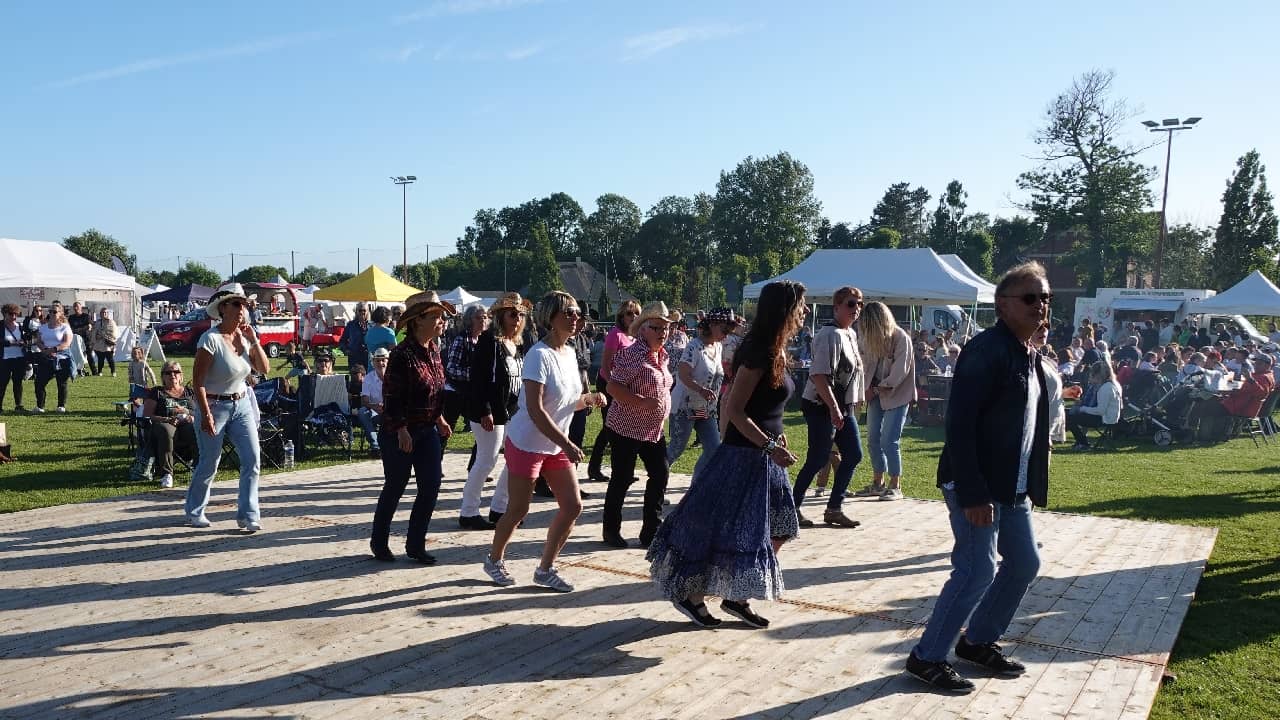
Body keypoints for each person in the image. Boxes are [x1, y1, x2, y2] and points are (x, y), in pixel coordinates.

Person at [906, 262, 1052, 693]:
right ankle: (926, 656)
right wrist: (973, 492)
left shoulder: (1027, 350)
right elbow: (960, 425)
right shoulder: (986, 350)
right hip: (977, 486)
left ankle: (978, 640)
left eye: (1045, 297)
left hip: (1013, 486)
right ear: (1002, 305)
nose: (1040, 305)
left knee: (1025, 563)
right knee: (976, 571)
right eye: (1030, 298)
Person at [647, 280, 805, 629]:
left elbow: (770, 408)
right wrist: (767, 445)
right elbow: (734, 409)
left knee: (780, 528)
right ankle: (692, 595)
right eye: (800, 306)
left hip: (767, 454)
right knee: (721, 529)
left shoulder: (777, 349)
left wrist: (780, 441)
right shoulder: (759, 351)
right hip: (744, 455)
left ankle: (736, 595)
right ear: (784, 310)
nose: (804, 312)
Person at [483, 291, 607, 591]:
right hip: (527, 442)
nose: (576, 317)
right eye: (569, 312)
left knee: (572, 505)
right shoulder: (539, 355)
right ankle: (494, 559)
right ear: (551, 319)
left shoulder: (568, 352)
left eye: (578, 313)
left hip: (554, 443)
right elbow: (536, 410)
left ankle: (545, 569)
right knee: (519, 509)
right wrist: (566, 442)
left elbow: (565, 401)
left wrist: (589, 399)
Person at [369, 291, 456, 564]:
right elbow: (391, 397)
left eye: (442, 316)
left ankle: (415, 544)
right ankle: (379, 541)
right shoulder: (401, 354)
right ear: (418, 321)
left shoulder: (433, 350)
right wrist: (402, 429)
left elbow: (436, 389)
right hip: (399, 431)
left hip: (427, 429)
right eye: (436, 316)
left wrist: (440, 418)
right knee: (396, 485)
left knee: (431, 485)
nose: (442, 321)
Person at [184, 283, 270, 531]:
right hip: (213, 404)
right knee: (210, 461)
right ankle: (194, 511)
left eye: (244, 304)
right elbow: (197, 382)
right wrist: (206, 414)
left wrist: (254, 341)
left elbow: (264, 369)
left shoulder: (244, 337)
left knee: (253, 460)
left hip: (241, 403)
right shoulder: (209, 339)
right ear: (223, 309)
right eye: (237, 304)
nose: (242, 309)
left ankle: (248, 515)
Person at [791, 285, 865, 528]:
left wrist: (854, 399)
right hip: (820, 403)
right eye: (851, 304)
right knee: (818, 458)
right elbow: (819, 376)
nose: (857, 309)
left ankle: (834, 508)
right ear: (836, 307)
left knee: (853, 454)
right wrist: (833, 408)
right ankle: (791, 508)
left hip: (841, 405)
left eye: (860, 304)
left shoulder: (850, 334)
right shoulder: (829, 335)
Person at [602, 301, 674, 549]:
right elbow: (613, 386)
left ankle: (651, 531)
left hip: (653, 430)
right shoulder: (632, 354)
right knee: (622, 478)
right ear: (642, 328)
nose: (662, 333)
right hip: (626, 428)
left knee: (660, 473)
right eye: (657, 328)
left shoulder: (662, 355)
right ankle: (611, 530)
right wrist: (641, 402)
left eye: (666, 328)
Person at [463, 292, 531, 531]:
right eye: (513, 314)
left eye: (521, 314)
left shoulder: (519, 343)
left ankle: (500, 507)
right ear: (501, 316)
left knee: (514, 460)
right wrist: (485, 410)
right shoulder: (489, 342)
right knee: (486, 460)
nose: (518, 318)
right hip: (489, 411)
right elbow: (479, 379)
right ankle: (468, 511)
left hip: (513, 410)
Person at [666, 308, 736, 484]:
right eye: (724, 330)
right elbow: (683, 374)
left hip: (706, 409)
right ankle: (657, 483)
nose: (726, 335)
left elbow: (717, 372)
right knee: (676, 448)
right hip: (685, 406)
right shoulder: (694, 346)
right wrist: (701, 389)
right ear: (712, 325)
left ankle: (696, 489)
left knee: (714, 449)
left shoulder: (718, 347)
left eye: (729, 331)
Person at [856, 301, 915, 501]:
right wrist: (865, 389)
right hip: (874, 394)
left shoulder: (901, 338)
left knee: (889, 440)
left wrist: (877, 388)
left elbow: (900, 371)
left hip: (897, 395)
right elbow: (864, 366)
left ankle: (895, 484)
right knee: (872, 438)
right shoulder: (868, 338)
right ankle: (878, 482)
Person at [586, 300, 640, 483]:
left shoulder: (635, 337)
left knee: (625, 427)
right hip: (609, 384)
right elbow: (606, 365)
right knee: (610, 427)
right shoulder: (615, 335)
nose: (633, 317)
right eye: (629, 314)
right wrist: (614, 387)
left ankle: (625, 469)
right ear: (621, 316)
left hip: (625, 386)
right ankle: (595, 467)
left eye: (636, 314)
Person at [145, 360, 196, 489]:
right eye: (168, 372)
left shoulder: (190, 392)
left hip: (186, 423)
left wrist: (188, 414)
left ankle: (198, 467)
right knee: (166, 431)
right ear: (163, 376)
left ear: (181, 375)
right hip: (165, 423)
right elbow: (147, 414)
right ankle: (167, 474)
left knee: (196, 429)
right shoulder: (157, 392)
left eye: (176, 372)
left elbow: (199, 412)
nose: (172, 375)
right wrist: (167, 419)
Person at [444, 304, 488, 435]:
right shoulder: (461, 339)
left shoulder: (485, 341)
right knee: (446, 432)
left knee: (483, 430)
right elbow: (451, 369)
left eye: (485, 317)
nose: (483, 321)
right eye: (479, 318)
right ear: (470, 320)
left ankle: (478, 456)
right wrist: (474, 374)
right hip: (454, 392)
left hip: (473, 393)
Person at [1066, 361, 1121, 449]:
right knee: (1067, 414)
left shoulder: (1106, 388)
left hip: (1104, 419)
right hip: (1103, 416)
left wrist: (1082, 409)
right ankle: (1080, 441)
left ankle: (1083, 443)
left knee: (1070, 418)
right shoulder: (1105, 386)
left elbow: (1100, 410)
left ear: (1098, 375)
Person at [32, 304, 73, 414]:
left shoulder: (65, 327)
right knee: (39, 383)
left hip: (62, 359)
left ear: (60, 313)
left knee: (62, 383)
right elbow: (38, 341)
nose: (52, 314)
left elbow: (67, 342)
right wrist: (45, 350)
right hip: (46, 359)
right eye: (50, 311)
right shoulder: (43, 327)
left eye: (54, 312)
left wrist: (54, 349)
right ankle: (40, 406)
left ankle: (61, 406)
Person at [356, 347, 390, 457]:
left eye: (383, 360)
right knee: (362, 412)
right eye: (377, 360)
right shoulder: (368, 378)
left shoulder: (395, 377)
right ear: (373, 362)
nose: (380, 363)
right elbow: (364, 400)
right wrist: (374, 406)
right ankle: (375, 446)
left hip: (392, 410)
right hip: (374, 411)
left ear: (388, 361)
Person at [2, 304, 27, 414]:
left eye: (16, 314)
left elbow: (26, 339)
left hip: (19, 358)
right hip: (4, 359)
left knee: (18, 383)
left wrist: (23, 342)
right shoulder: (0, 326)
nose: (13, 316)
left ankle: (18, 405)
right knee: (2, 383)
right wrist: (11, 343)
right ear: (5, 314)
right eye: (11, 314)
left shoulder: (20, 326)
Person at [340, 303, 372, 373]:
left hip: (369, 358)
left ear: (367, 311)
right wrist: (346, 350)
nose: (362, 312)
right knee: (355, 380)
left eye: (364, 310)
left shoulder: (372, 325)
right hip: (354, 357)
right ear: (356, 311)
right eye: (360, 310)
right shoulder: (350, 325)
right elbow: (342, 341)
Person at [90, 307, 118, 377]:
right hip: (99, 344)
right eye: (102, 312)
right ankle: (99, 372)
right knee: (100, 359)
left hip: (108, 344)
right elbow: (94, 332)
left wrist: (105, 336)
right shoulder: (98, 322)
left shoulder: (111, 322)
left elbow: (114, 332)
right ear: (100, 314)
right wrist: (96, 337)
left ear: (107, 314)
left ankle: (113, 372)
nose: (104, 314)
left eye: (105, 312)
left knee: (110, 359)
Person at [67, 301, 93, 374]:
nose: (75, 308)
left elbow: (89, 326)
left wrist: (77, 330)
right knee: (76, 355)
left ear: (80, 307)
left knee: (89, 355)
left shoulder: (86, 316)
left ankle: (94, 371)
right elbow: (70, 329)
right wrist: (83, 328)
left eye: (77, 306)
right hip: (75, 340)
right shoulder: (71, 317)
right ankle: (77, 370)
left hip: (86, 339)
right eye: (74, 307)